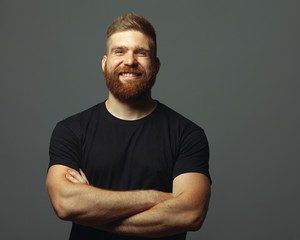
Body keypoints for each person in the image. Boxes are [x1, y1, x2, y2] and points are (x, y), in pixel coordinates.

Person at [46, 12, 211, 240]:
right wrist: (157, 198)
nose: (130, 61)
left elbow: (190, 214)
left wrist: (92, 211)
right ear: (105, 64)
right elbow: (66, 203)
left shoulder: (187, 134)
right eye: (119, 51)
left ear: (156, 65)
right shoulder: (71, 131)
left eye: (141, 53)